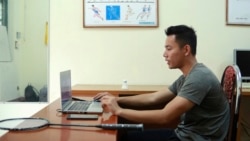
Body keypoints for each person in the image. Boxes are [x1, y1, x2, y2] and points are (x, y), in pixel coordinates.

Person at [94, 25, 230, 141]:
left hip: (193, 139)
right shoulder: (188, 76)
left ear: (186, 50)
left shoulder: (199, 77)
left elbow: (165, 116)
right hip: (185, 135)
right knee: (124, 136)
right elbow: (154, 98)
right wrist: (117, 99)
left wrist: (119, 110)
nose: (164, 54)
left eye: (169, 49)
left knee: (123, 138)